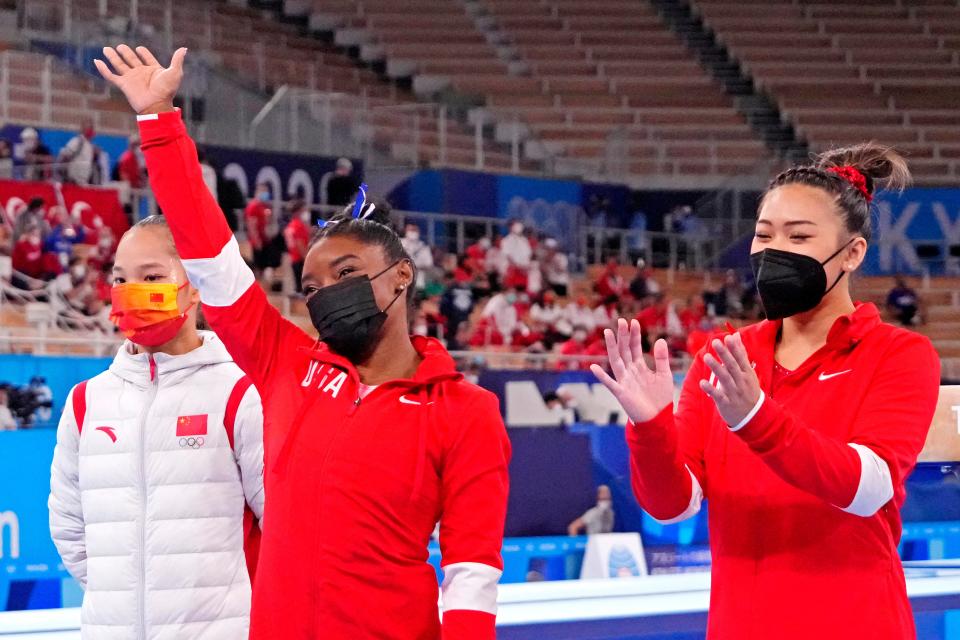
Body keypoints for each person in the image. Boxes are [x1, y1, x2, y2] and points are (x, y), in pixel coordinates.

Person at [97, 44, 510, 640]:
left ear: (401, 275)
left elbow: (472, 572)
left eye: (346, 273)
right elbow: (210, 255)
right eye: (311, 284)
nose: (325, 293)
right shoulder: (287, 364)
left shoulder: (464, 412)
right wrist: (160, 122)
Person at [591, 144, 940, 639]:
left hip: (858, 623)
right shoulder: (726, 356)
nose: (775, 250)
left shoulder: (898, 353)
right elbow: (674, 506)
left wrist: (756, 419)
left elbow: (868, 490)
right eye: (764, 234)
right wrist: (650, 430)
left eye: (799, 236)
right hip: (742, 625)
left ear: (853, 253)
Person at [48, 215, 265, 639]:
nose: (132, 292)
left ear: (196, 284)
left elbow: (279, 525)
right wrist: (126, 602)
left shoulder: (239, 393)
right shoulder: (86, 402)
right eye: (120, 279)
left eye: (152, 276)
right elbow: (69, 526)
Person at [245, 182, 282, 283]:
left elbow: (269, 223)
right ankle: (256, 284)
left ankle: (264, 285)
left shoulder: (265, 206)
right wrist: (256, 241)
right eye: (263, 191)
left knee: (267, 264)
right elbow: (251, 225)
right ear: (257, 192)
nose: (265, 193)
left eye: (266, 191)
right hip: (258, 241)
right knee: (257, 266)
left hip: (266, 240)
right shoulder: (253, 206)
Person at [58, 120, 102, 185]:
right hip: (73, 181)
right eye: (89, 128)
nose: (91, 131)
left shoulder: (90, 146)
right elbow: (64, 154)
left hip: (84, 181)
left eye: (92, 129)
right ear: (83, 130)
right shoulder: (77, 141)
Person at [283, 199, 311, 292]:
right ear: (298, 211)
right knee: (303, 288)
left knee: (298, 287)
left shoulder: (290, 225)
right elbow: (300, 245)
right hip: (300, 260)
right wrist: (307, 259)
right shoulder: (298, 225)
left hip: (293, 258)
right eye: (304, 210)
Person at [400, 222, 434, 290]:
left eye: (415, 230)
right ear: (405, 230)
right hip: (400, 279)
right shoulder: (399, 243)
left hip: (418, 281)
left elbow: (429, 264)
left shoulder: (424, 247)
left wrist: (415, 266)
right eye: (411, 229)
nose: (413, 232)